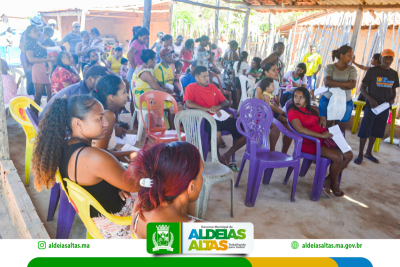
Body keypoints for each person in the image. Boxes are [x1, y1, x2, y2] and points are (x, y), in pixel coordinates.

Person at [31, 95, 140, 239]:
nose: (106, 123)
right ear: (78, 123)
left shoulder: (65, 148)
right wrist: (136, 160)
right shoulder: (93, 157)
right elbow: (136, 185)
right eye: (99, 118)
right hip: (121, 225)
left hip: (101, 223)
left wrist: (117, 184)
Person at [128, 142, 204, 239]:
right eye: (201, 174)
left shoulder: (142, 200)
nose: (202, 179)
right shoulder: (200, 233)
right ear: (191, 187)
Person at [288, 87, 353, 197]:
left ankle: (327, 181)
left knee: (349, 154)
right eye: (295, 97)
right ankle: (334, 186)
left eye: (301, 98)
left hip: (323, 141)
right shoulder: (293, 111)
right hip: (310, 143)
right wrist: (321, 135)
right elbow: (300, 129)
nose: (297, 100)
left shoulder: (311, 109)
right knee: (338, 158)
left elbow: (319, 117)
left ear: (306, 100)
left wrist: (322, 118)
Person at [183, 66, 246, 167]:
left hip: (220, 116)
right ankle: (216, 155)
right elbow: (188, 104)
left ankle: (228, 154)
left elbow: (225, 102)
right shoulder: (191, 87)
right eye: (204, 76)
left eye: (207, 76)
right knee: (217, 134)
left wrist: (218, 107)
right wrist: (208, 109)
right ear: (196, 77)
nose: (207, 78)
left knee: (246, 130)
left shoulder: (212, 87)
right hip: (205, 119)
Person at [354, 49, 399, 165]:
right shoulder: (372, 71)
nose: (387, 61)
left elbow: (393, 90)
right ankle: (360, 154)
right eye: (385, 58)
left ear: (392, 60)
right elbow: (362, 88)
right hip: (372, 105)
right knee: (365, 129)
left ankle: (368, 153)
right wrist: (369, 98)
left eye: (390, 59)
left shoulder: (394, 74)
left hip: (384, 107)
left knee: (377, 130)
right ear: (381, 59)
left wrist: (392, 99)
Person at [91, 75, 137, 162]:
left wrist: (126, 162)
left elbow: (110, 149)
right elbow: (101, 153)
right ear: (112, 97)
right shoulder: (108, 115)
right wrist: (128, 153)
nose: (127, 95)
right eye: (124, 92)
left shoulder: (110, 113)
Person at [40, 65, 108, 120]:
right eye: (101, 81)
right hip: (49, 127)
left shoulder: (82, 87)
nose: (104, 85)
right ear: (90, 79)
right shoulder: (80, 93)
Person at [132, 49, 176, 129]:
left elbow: (155, 84)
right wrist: (170, 95)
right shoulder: (146, 73)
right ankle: (171, 129)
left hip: (139, 100)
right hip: (144, 102)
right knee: (171, 103)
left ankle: (164, 126)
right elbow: (157, 89)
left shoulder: (140, 68)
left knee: (168, 99)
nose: (156, 61)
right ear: (150, 60)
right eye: (155, 59)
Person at [320, 45, 357, 133]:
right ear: (341, 55)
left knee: (340, 131)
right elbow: (327, 82)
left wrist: (335, 83)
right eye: (349, 55)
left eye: (352, 56)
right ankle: (323, 147)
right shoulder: (330, 67)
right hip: (328, 100)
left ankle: (338, 147)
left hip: (345, 102)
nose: (351, 58)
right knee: (325, 129)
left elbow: (352, 85)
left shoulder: (352, 69)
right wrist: (345, 84)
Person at [255, 76, 292, 154]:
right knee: (277, 125)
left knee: (286, 120)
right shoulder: (265, 95)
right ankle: (272, 150)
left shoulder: (270, 94)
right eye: (272, 86)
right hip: (266, 115)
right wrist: (277, 110)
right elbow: (268, 106)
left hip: (272, 113)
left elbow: (273, 103)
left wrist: (278, 108)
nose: (274, 87)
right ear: (266, 88)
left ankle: (289, 120)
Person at [24, 25, 55, 113]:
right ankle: (34, 117)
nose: (38, 32)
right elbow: (31, 59)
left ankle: (48, 116)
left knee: (50, 94)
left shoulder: (39, 42)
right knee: (38, 94)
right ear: (29, 34)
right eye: (35, 31)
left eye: (38, 30)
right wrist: (48, 59)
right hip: (38, 69)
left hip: (48, 68)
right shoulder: (28, 43)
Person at [19, 16, 45, 96]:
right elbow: (21, 45)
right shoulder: (26, 33)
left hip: (38, 60)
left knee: (39, 79)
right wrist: (29, 56)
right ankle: (31, 97)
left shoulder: (40, 34)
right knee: (31, 79)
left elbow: (42, 46)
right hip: (27, 60)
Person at [221, 40, 239, 108]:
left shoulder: (226, 52)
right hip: (232, 75)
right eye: (236, 47)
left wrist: (226, 69)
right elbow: (239, 62)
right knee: (237, 91)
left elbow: (221, 64)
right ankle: (235, 105)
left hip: (225, 74)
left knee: (228, 91)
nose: (237, 48)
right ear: (234, 46)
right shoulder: (234, 53)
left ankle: (228, 106)